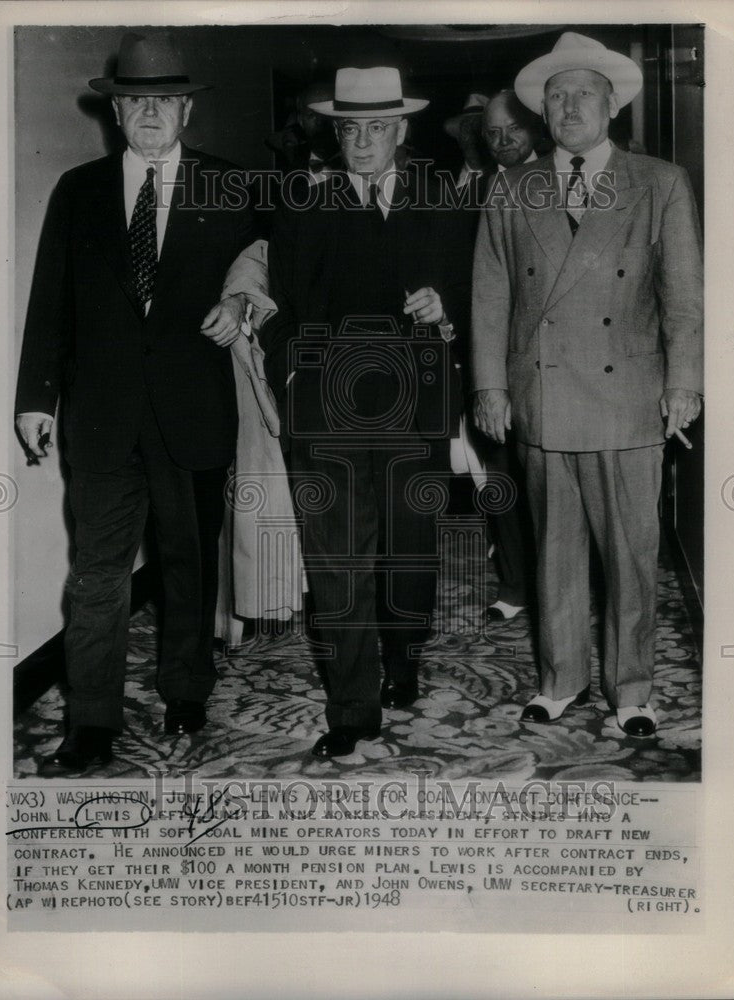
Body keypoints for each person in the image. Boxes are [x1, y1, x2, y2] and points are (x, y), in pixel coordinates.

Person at [15, 32, 255, 774]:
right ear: (116, 114)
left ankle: (186, 691)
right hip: (101, 418)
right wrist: (36, 397)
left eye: (163, 100)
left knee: (189, 566)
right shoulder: (78, 191)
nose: (149, 113)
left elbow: (268, 265)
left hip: (193, 413)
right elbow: (49, 299)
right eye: (134, 101)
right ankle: (90, 721)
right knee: (98, 574)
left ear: (185, 109)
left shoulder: (231, 185)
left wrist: (244, 304)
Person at [471, 33, 703, 737]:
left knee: (631, 556)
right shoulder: (512, 185)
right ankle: (559, 679)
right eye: (555, 94)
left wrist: (685, 384)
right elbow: (490, 294)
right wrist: (488, 386)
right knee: (554, 551)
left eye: (582, 93)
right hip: (541, 396)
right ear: (542, 110)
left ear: (612, 104)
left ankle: (630, 689)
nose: (567, 105)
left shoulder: (658, 182)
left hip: (628, 396)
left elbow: (684, 298)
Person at [258, 66, 466, 758]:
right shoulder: (302, 208)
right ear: (336, 133)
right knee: (337, 565)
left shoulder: (442, 202)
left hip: (414, 413)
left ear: (401, 131)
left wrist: (446, 313)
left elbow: (476, 296)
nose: (364, 141)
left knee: (409, 553)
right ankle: (351, 707)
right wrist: (298, 384)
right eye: (351, 129)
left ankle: (401, 659)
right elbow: (278, 316)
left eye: (378, 128)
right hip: (328, 416)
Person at [456, 90, 545, 623]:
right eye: (492, 133)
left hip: (549, 363)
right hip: (492, 358)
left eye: (513, 130)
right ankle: (515, 584)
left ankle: (561, 586)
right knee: (500, 478)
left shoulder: (559, 180)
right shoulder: (483, 186)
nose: (504, 141)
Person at [443, 93, 491, 190]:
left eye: (479, 128)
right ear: (458, 136)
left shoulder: (503, 176)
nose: (472, 136)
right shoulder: (441, 176)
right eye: (466, 129)